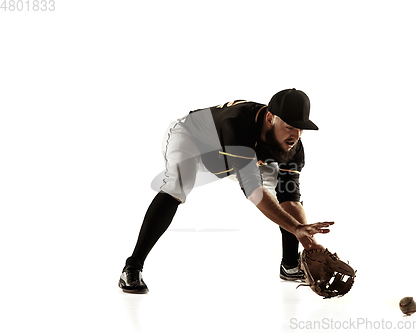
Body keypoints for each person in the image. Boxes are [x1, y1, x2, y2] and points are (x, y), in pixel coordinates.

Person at [119, 88, 334, 294]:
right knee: (177, 184)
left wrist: (309, 242)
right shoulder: (238, 123)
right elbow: (254, 191)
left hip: (233, 158)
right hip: (193, 139)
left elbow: (290, 199)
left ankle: (290, 264)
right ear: (270, 118)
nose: (296, 134)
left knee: (283, 188)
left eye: (300, 128)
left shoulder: (293, 147)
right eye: (289, 126)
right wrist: (296, 227)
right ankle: (132, 267)